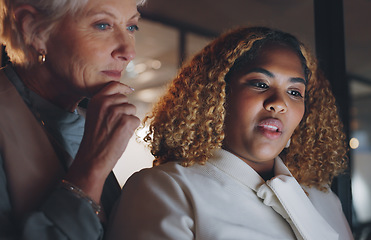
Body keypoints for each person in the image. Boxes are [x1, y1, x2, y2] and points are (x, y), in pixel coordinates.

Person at [107, 26, 354, 240]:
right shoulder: (165, 188)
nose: (279, 102)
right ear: (217, 95)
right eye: (260, 84)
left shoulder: (323, 198)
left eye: (295, 92)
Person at [0, 0, 144, 239]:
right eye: (102, 25)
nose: (128, 52)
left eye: (131, 27)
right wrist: (92, 169)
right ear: (33, 29)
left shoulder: (91, 119)